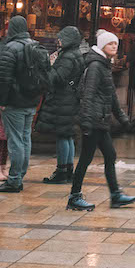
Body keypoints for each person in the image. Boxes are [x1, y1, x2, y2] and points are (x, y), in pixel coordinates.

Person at [67, 29, 135, 212]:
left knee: (108, 155)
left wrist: (123, 119)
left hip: (100, 119)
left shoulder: (103, 64)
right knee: (86, 158)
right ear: (102, 46)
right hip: (94, 120)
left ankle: (115, 195)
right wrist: (87, 122)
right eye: (110, 44)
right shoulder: (97, 66)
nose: (114, 46)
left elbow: (111, 96)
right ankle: (75, 197)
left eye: (116, 43)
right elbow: (88, 94)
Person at [0, 15, 44, 193]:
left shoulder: (10, 48)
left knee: (15, 141)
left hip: (14, 102)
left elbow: (4, 78)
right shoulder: (35, 46)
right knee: (24, 139)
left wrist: (2, 102)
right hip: (31, 101)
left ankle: (14, 180)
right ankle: (19, 175)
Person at [36, 26, 85, 184]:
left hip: (63, 100)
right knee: (67, 135)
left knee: (62, 135)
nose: (59, 41)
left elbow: (57, 78)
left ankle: (62, 171)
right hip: (70, 99)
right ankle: (68, 170)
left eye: (61, 38)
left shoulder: (67, 57)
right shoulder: (75, 54)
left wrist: (49, 65)